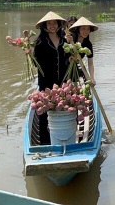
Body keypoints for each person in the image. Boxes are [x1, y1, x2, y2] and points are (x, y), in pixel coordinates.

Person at [33, 11, 69, 144]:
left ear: (59, 24)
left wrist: (71, 58)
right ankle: (45, 141)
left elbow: (67, 59)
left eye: (55, 23)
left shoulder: (64, 40)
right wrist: (28, 54)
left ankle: (64, 136)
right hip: (46, 81)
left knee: (63, 107)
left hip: (62, 80)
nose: (52, 26)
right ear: (45, 25)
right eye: (49, 23)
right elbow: (35, 63)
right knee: (44, 109)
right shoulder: (40, 41)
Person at [66, 17, 98, 86]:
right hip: (64, 68)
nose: (86, 31)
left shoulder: (88, 44)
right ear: (78, 29)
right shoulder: (71, 39)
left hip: (75, 68)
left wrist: (92, 78)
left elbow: (90, 63)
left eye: (88, 29)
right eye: (83, 28)